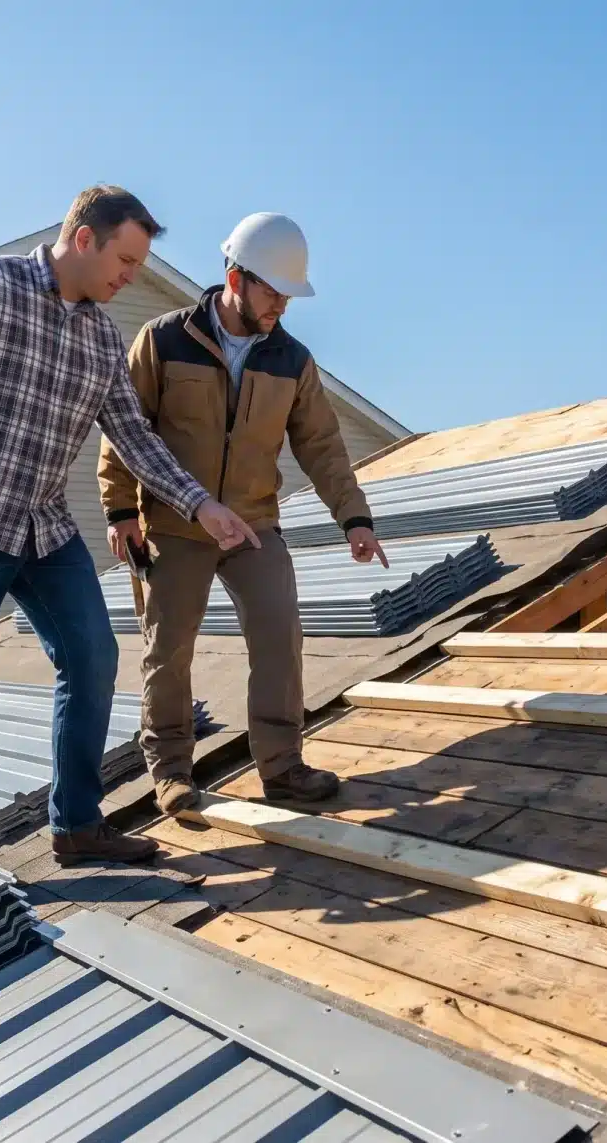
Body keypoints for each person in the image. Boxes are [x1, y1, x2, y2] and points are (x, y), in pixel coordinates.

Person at [0, 185, 259, 864]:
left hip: (43, 526)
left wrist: (201, 505)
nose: (129, 276)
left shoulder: (100, 336)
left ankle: (77, 825)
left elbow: (136, 438)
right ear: (84, 238)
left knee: (94, 656)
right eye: (124, 259)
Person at [98, 212, 385, 816]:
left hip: (254, 524)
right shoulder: (163, 339)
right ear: (235, 277)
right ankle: (173, 771)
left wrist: (354, 519)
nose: (282, 303)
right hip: (175, 524)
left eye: (289, 294)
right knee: (168, 649)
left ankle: (282, 768)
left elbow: (322, 446)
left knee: (280, 635)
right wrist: (121, 508)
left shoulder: (292, 360)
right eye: (272, 290)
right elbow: (126, 430)